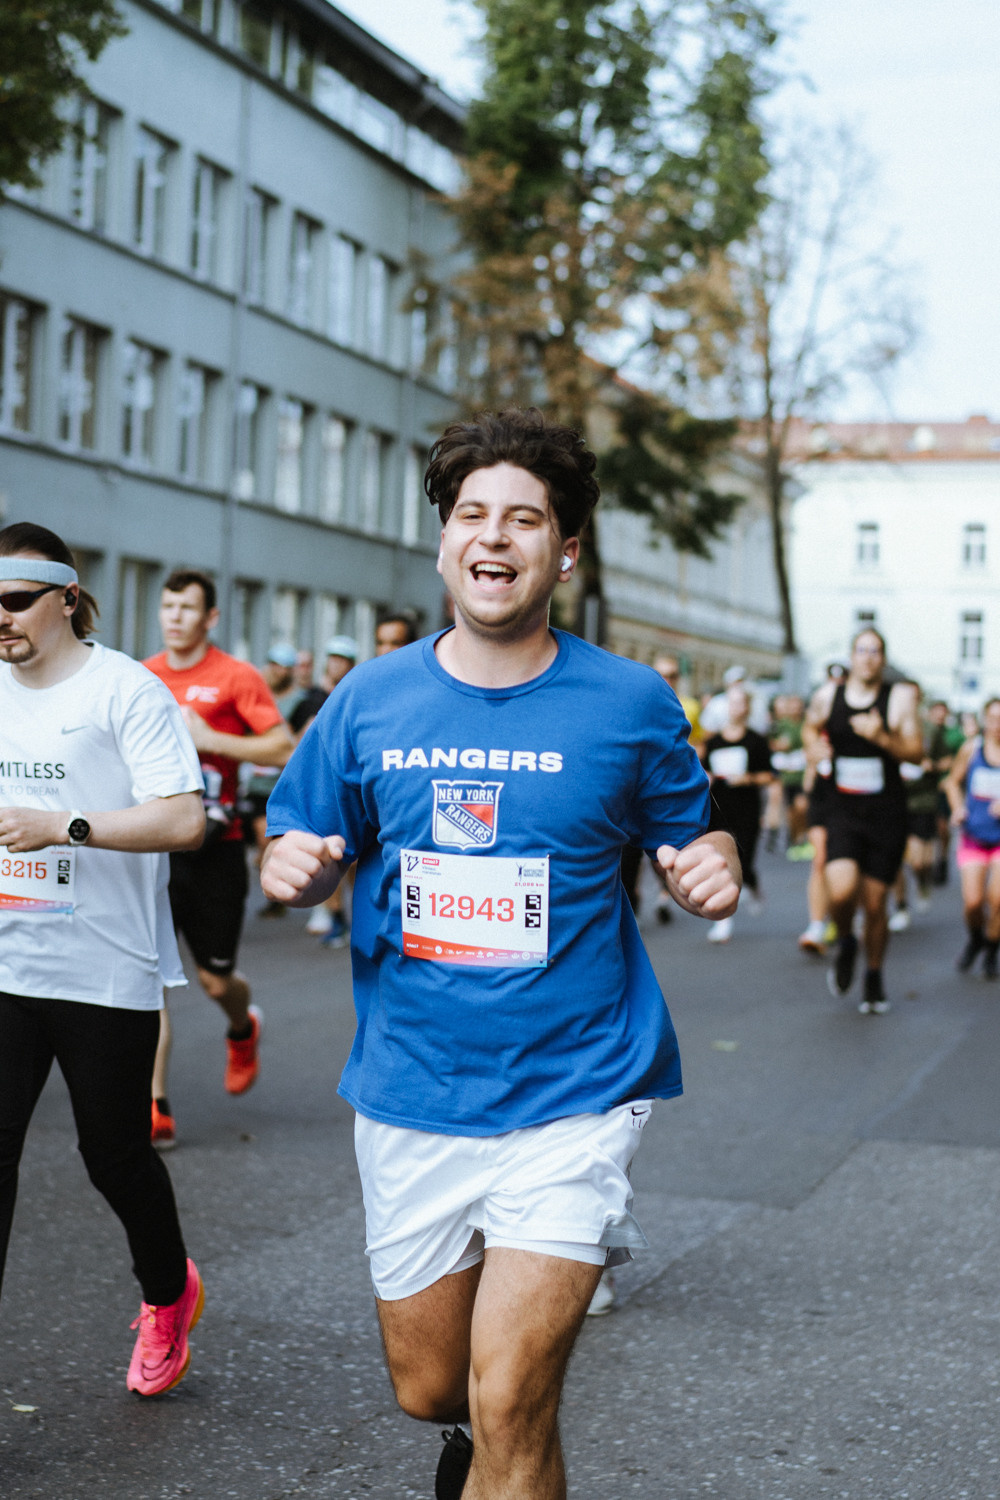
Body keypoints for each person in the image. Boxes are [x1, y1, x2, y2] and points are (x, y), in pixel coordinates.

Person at [260, 408, 741, 1500]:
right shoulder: (369, 700)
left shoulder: (628, 702)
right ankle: (478, 1442)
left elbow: (694, 833)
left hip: (578, 1091)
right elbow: (305, 840)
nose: (494, 534)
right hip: (413, 1089)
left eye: (524, 518)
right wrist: (296, 868)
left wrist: (708, 863)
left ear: (564, 550)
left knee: (514, 1393)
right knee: (435, 1389)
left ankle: (504, 1437)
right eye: (472, 514)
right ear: (444, 543)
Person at [0, 522, 206, 1395]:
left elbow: (185, 819)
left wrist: (64, 825)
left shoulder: (125, 689)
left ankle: (168, 1294)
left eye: (15, 601)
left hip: (103, 968)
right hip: (7, 964)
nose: (0, 617)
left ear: (67, 599)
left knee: (113, 1153)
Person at [144, 570, 293, 1147]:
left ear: (210, 618)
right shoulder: (141, 676)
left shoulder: (236, 676)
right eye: (168, 606)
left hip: (216, 849)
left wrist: (211, 740)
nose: (175, 617)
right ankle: (155, 1105)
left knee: (214, 980)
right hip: (154, 848)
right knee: (148, 980)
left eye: (187, 608)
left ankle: (242, 1024)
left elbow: (282, 747)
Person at [803, 629, 922, 1013]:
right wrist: (812, 747)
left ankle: (873, 975)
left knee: (874, 905)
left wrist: (882, 737)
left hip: (886, 813)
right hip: (842, 810)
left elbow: (916, 753)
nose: (868, 657)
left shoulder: (898, 698)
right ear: (851, 655)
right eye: (862, 650)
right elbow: (809, 727)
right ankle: (846, 941)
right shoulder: (829, 695)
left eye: (875, 651)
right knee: (840, 891)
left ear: (882, 658)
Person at [291, 636, 359, 946]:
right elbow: (291, 739)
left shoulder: (359, 693)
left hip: (354, 788)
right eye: (332, 657)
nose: (336, 663)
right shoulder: (311, 699)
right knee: (329, 856)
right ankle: (337, 918)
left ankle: (359, 916)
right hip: (321, 788)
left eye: (342, 659)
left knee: (355, 863)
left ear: (350, 663)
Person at [702, 683, 774, 942]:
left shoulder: (756, 741)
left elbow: (770, 775)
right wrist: (707, 777)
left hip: (747, 810)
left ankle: (751, 883)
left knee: (744, 860)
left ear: (748, 708)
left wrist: (749, 778)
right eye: (731, 703)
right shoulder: (713, 742)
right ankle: (723, 920)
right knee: (722, 863)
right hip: (719, 810)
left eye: (741, 703)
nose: (736, 708)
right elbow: (703, 771)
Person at [246, 643, 306, 918]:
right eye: (273, 665)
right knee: (262, 837)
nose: (276, 671)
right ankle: (275, 893)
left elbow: (296, 741)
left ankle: (280, 893)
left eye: (282, 667)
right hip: (257, 782)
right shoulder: (259, 696)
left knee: (271, 835)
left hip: (283, 781)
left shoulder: (300, 701)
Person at [943, 698, 1000, 978]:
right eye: (993, 718)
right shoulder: (971, 749)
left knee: (998, 900)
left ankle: (991, 950)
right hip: (974, 834)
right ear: (984, 720)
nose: (998, 725)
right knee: (973, 903)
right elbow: (951, 782)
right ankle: (976, 939)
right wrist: (957, 808)